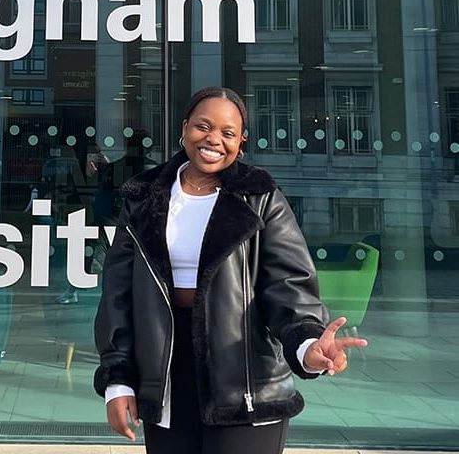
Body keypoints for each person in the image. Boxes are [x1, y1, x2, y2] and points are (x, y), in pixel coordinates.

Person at [93, 87, 368, 454]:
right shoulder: (143, 197)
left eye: (227, 133)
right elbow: (118, 294)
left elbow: (289, 286)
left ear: (241, 142)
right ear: (184, 128)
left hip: (246, 379)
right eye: (203, 126)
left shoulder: (261, 197)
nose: (213, 140)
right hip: (165, 376)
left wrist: (306, 343)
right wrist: (119, 381)